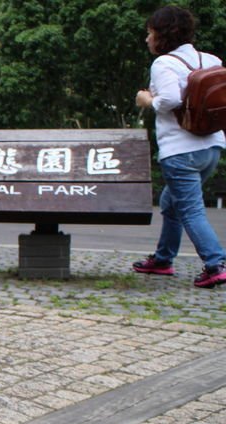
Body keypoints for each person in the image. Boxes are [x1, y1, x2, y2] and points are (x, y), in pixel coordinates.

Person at [133, 5, 226, 288]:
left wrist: (147, 100)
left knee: (190, 209)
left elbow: (170, 99)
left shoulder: (163, 64)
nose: (147, 39)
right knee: (170, 203)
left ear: (161, 35)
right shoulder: (211, 59)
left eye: (149, 33)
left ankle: (216, 264)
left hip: (180, 151)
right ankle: (163, 259)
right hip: (211, 147)